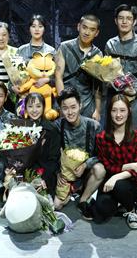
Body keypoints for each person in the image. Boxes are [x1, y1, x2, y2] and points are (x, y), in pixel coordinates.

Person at [92, 94, 137, 229]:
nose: (118, 115)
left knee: (120, 186)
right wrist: (130, 165)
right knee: (101, 212)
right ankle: (119, 203)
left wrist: (116, 177)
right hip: (110, 183)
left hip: (131, 183)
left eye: (122, 110)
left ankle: (131, 210)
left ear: (129, 112)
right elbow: (108, 166)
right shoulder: (101, 138)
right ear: (109, 112)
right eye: (114, 110)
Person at [54, 87, 105, 218]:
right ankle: (71, 191)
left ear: (80, 106)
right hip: (66, 173)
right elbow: (52, 154)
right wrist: (57, 173)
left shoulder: (93, 126)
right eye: (65, 108)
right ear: (60, 109)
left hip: (86, 172)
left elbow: (102, 154)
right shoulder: (57, 126)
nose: (70, 112)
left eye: (73, 107)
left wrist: (85, 165)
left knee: (100, 169)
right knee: (57, 205)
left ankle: (83, 200)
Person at [104, 4, 137, 129]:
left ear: (134, 21)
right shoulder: (110, 44)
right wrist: (117, 86)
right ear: (115, 20)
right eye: (121, 18)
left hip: (135, 97)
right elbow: (106, 73)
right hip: (115, 95)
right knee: (113, 132)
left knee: (133, 131)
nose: (124, 22)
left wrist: (134, 89)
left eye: (129, 18)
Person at [54, 14, 103, 121]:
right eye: (84, 27)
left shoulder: (98, 54)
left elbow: (98, 86)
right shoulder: (65, 47)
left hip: (87, 105)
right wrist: (63, 103)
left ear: (96, 33)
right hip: (65, 102)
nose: (87, 32)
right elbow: (58, 77)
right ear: (78, 27)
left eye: (92, 30)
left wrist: (97, 110)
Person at [24, 92, 61, 197]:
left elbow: (53, 160)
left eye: (38, 106)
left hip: (46, 173)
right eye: (30, 106)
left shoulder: (51, 129)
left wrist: (43, 179)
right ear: (25, 108)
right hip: (25, 172)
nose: (34, 110)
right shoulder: (21, 127)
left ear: (44, 107)